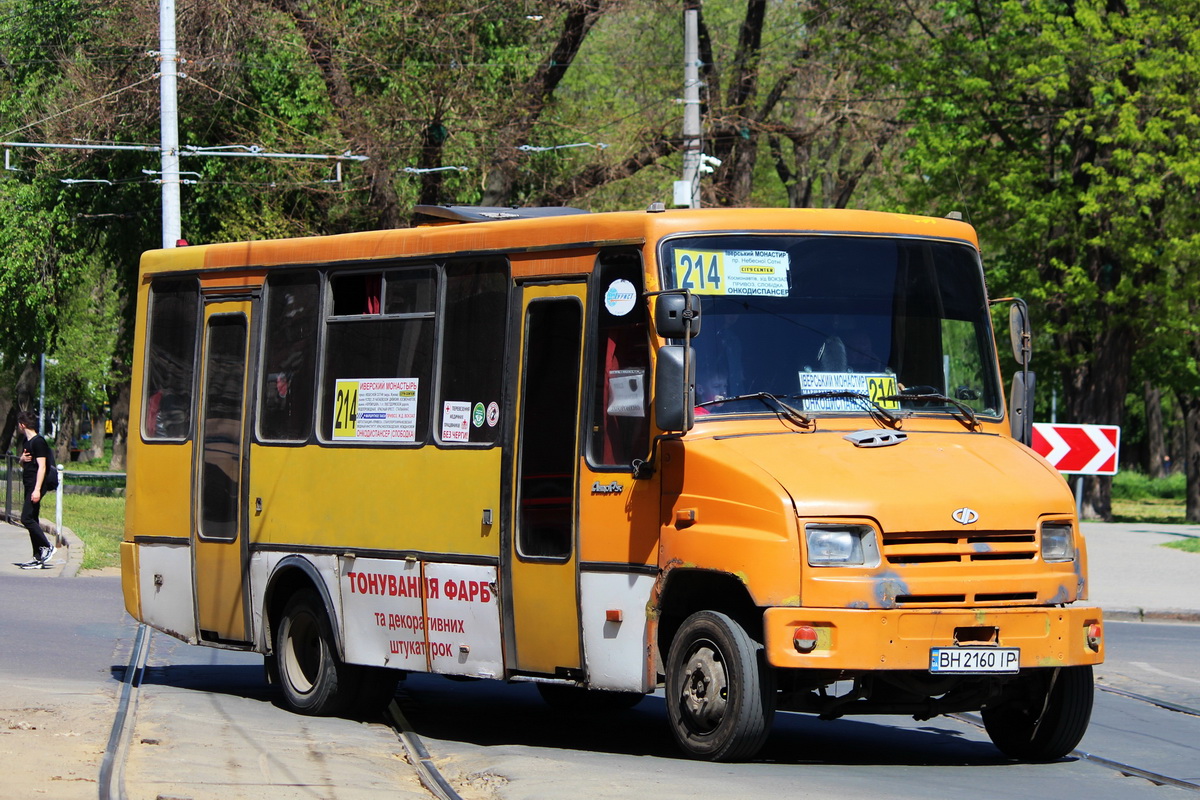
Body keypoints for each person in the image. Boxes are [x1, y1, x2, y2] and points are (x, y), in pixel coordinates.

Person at [15, 411, 56, 569]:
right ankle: (38, 556)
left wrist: (37, 489)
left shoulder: (39, 442)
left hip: (36, 485)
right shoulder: (27, 441)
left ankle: (47, 546)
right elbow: (24, 464)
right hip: (29, 484)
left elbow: (42, 467)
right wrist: (21, 460)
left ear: (22, 425)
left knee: (26, 518)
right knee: (34, 519)